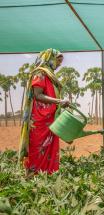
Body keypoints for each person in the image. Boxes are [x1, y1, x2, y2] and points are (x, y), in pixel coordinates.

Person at [19, 48, 70, 176]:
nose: (59, 64)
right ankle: (34, 176)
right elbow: (38, 95)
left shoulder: (49, 75)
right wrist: (59, 101)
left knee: (49, 148)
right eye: (58, 60)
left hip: (50, 117)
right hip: (40, 119)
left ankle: (48, 176)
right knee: (38, 147)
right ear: (49, 58)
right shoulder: (40, 73)